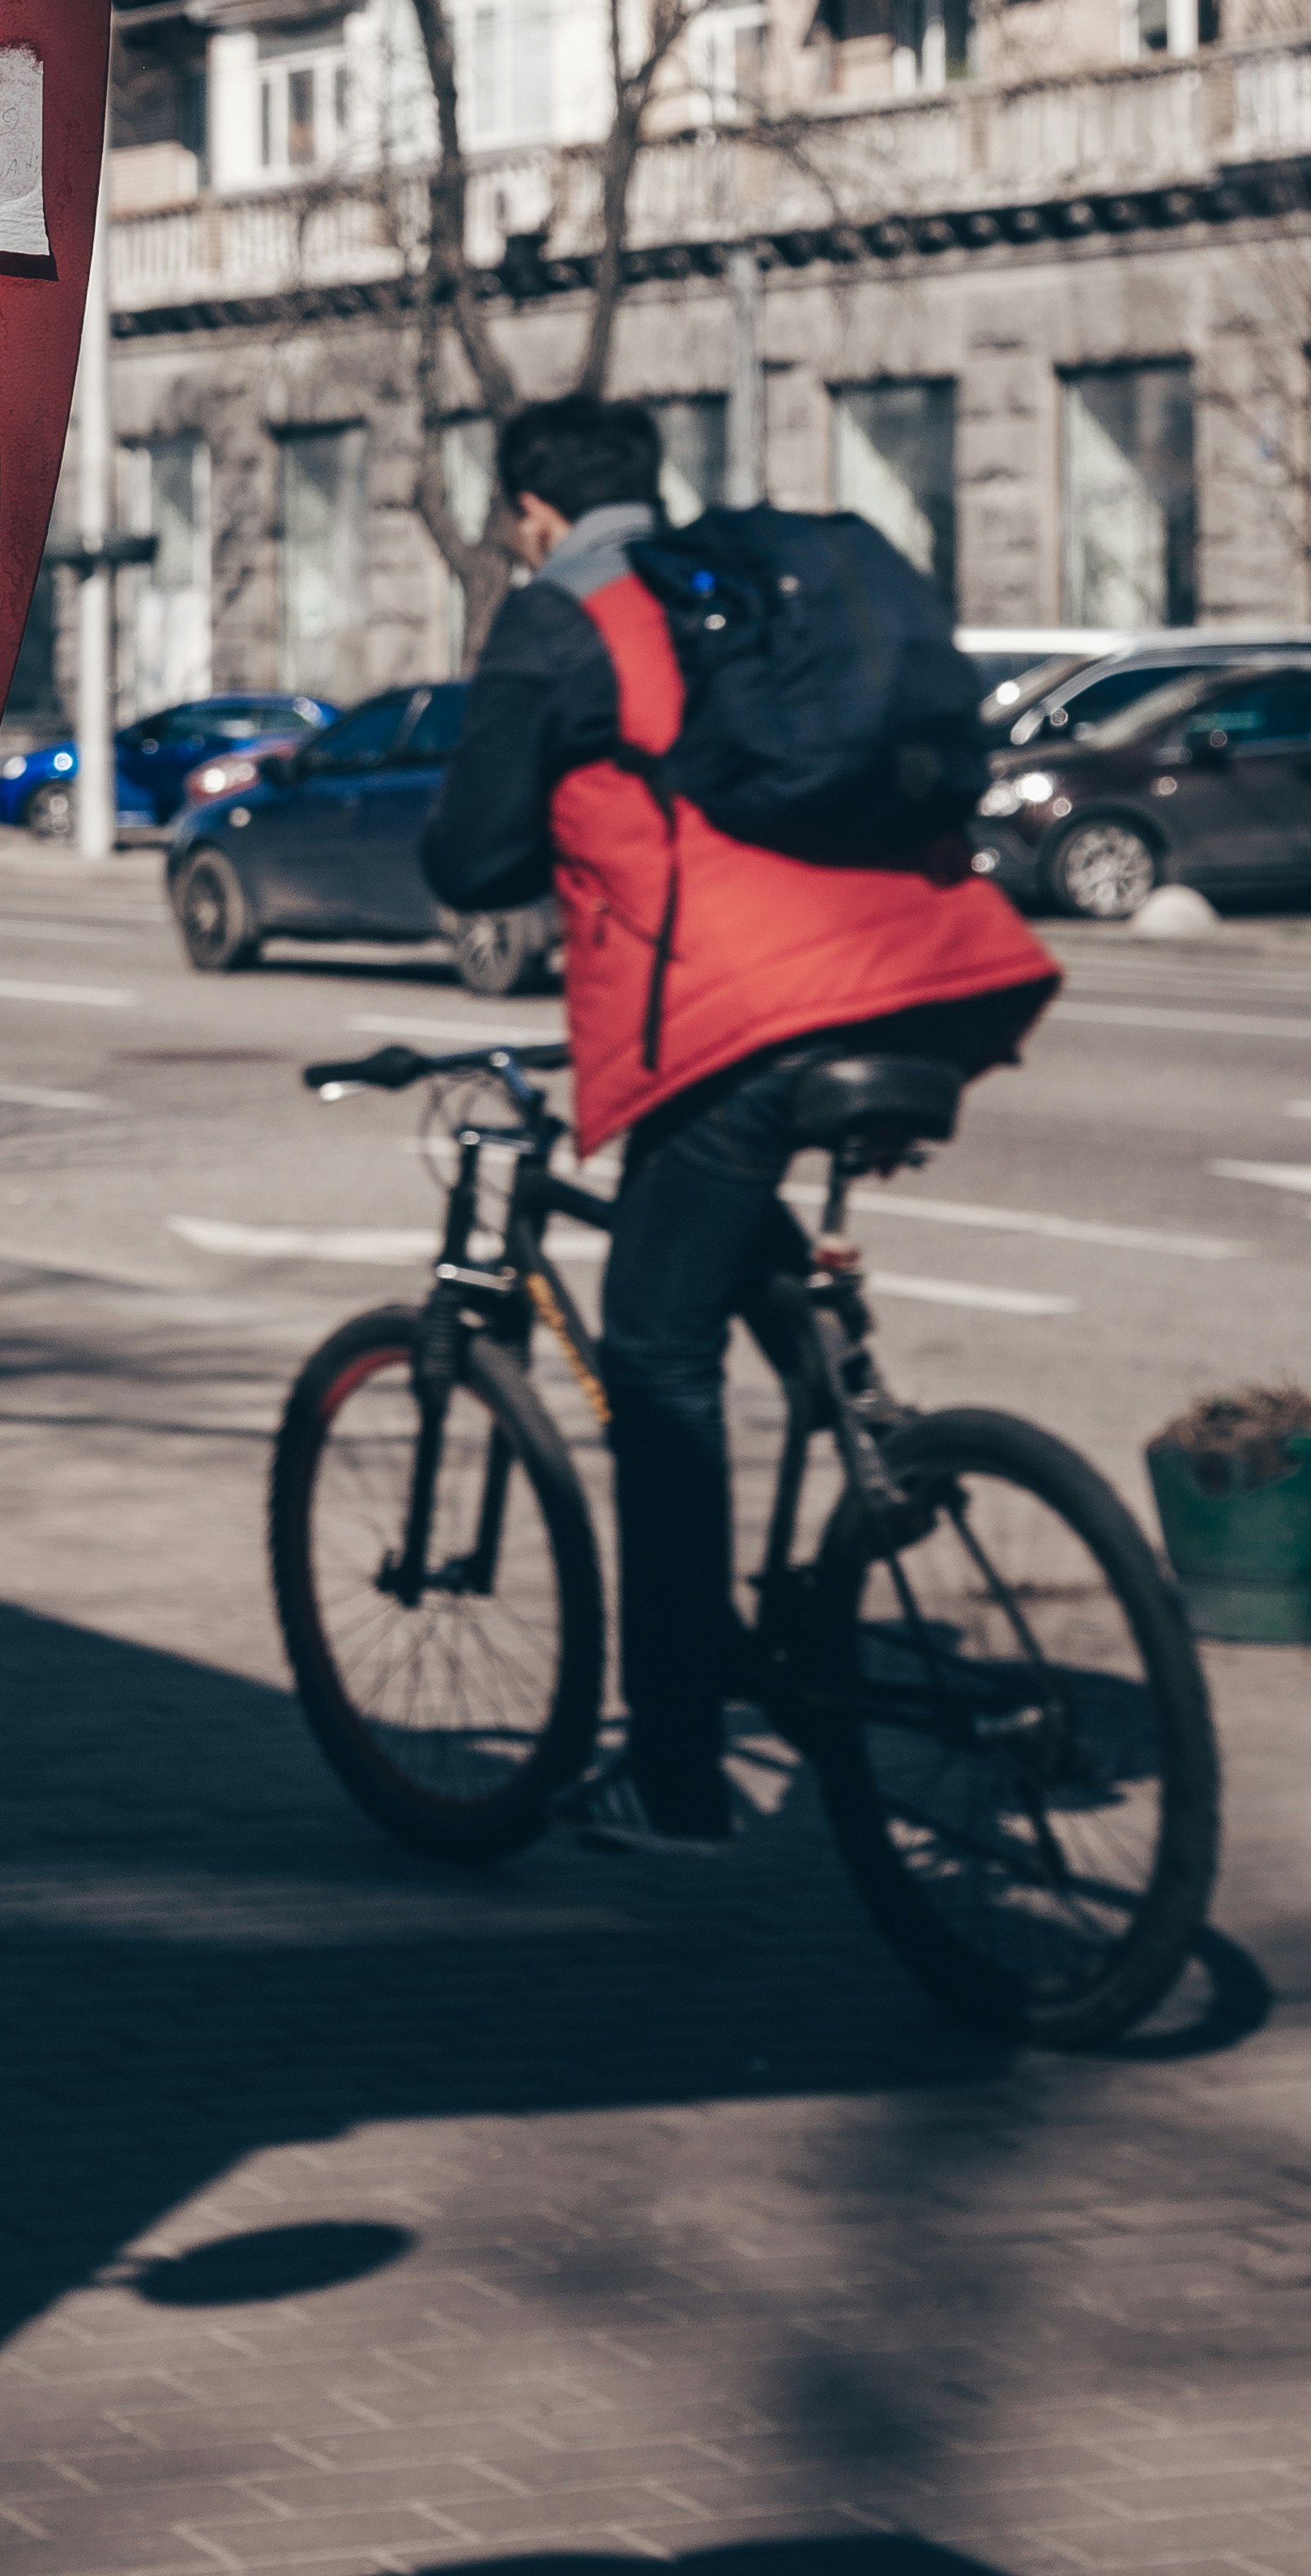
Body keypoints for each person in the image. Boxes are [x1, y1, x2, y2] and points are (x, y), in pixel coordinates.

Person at [420, 395, 1058, 1854]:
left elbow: (470, 855)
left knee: (653, 1362)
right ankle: (867, 1424)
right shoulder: (749, 593)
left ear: (529, 512)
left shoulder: (559, 615)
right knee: (719, 1226)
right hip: (916, 980)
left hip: (741, 1017)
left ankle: (679, 1775)